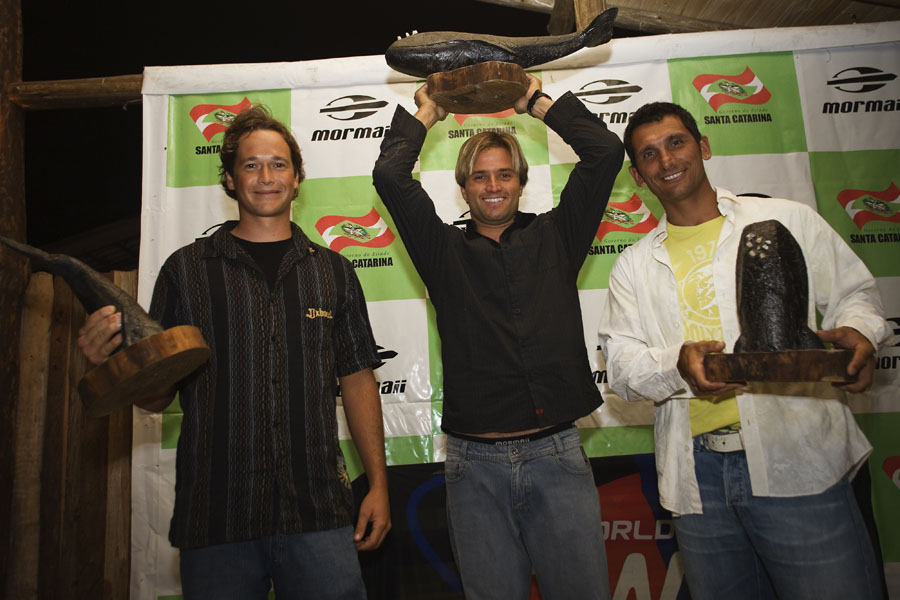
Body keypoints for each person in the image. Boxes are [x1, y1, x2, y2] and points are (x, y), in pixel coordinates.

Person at [78, 105, 390, 599]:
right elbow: (157, 397)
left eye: (278, 164)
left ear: (297, 177)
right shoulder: (185, 272)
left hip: (319, 513)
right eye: (250, 165)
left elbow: (357, 380)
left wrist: (378, 485)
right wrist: (118, 365)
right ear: (229, 178)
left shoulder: (333, 272)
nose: (266, 177)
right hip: (217, 519)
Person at [597, 101, 890, 600]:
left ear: (703, 146)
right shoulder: (633, 265)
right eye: (649, 154)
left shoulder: (785, 218)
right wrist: (678, 365)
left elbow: (856, 296)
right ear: (638, 177)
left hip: (798, 457)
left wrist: (860, 332)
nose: (666, 160)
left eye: (676, 143)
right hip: (697, 479)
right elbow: (622, 368)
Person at [372, 75, 623, 600]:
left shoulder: (559, 236)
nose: (493, 186)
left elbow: (604, 152)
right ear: (463, 188)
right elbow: (390, 175)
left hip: (557, 456)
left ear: (521, 182)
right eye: (480, 176)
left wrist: (534, 102)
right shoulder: (442, 251)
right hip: (474, 469)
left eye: (504, 174)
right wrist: (429, 111)